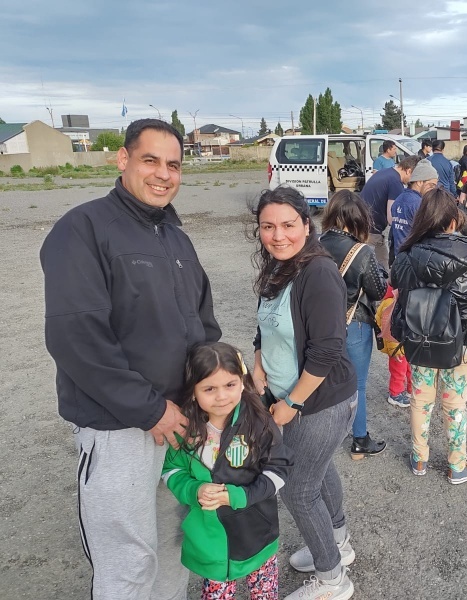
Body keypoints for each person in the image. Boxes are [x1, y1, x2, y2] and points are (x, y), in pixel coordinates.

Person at [40, 118, 221, 600]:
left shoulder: (176, 239)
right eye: (150, 160)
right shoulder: (84, 229)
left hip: (181, 423)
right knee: (127, 560)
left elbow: (202, 325)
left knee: (172, 545)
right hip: (120, 427)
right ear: (122, 160)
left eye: (174, 165)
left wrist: (212, 389)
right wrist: (148, 409)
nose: (163, 174)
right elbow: (75, 335)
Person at [250, 186, 358, 600]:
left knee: (298, 488)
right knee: (319, 470)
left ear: (306, 225)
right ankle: (339, 546)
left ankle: (333, 582)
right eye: (268, 226)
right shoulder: (279, 266)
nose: (279, 235)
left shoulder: (319, 272)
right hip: (285, 396)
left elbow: (327, 349)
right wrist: (258, 362)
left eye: (288, 225)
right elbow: (265, 325)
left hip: (319, 402)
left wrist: (291, 404)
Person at [390, 188, 467, 484]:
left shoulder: (406, 254)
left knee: (420, 399)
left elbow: (397, 292)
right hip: (462, 340)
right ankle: (457, 465)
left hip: (418, 338)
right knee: (455, 402)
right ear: (453, 221)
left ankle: (419, 459)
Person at [162, 342, 293, 600]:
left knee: (264, 593)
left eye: (230, 385)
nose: (221, 396)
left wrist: (239, 496)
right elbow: (171, 470)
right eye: (209, 389)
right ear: (192, 391)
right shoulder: (185, 427)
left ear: (242, 382)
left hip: (257, 532)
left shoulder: (259, 420)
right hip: (211, 541)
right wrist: (193, 489)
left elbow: (279, 468)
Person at [320, 191, 389, 459]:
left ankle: (328, 432)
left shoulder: (314, 243)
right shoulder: (361, 252)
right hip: (354, 324)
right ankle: (359, 439)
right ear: (358, 218)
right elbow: (378, 291)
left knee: (325, 378)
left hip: (321, 323)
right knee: (356, 384)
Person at [360, 155, 419, 270]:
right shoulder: (395, 182)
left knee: (379, 264)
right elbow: (392, 216)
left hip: (363, 223)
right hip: (372, 231)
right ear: (409, 171)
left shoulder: (385, 172)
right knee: (382, 266)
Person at [391, 158, 440, 256]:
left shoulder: (398, 200)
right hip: (414, 257)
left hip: (399, 255)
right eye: (431, 185)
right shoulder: (418, 203)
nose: (433, 189)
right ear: (419, 182)